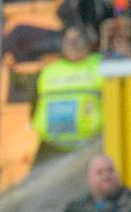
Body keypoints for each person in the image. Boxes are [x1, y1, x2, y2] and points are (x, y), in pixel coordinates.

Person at [31, 26, 104, 154]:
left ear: (89, 42)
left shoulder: (102, 66)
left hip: (94, 145)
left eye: (78, 40)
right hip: (51, 146)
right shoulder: (48, 71)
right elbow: (33, 103)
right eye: (68, 41)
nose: (73, 45)